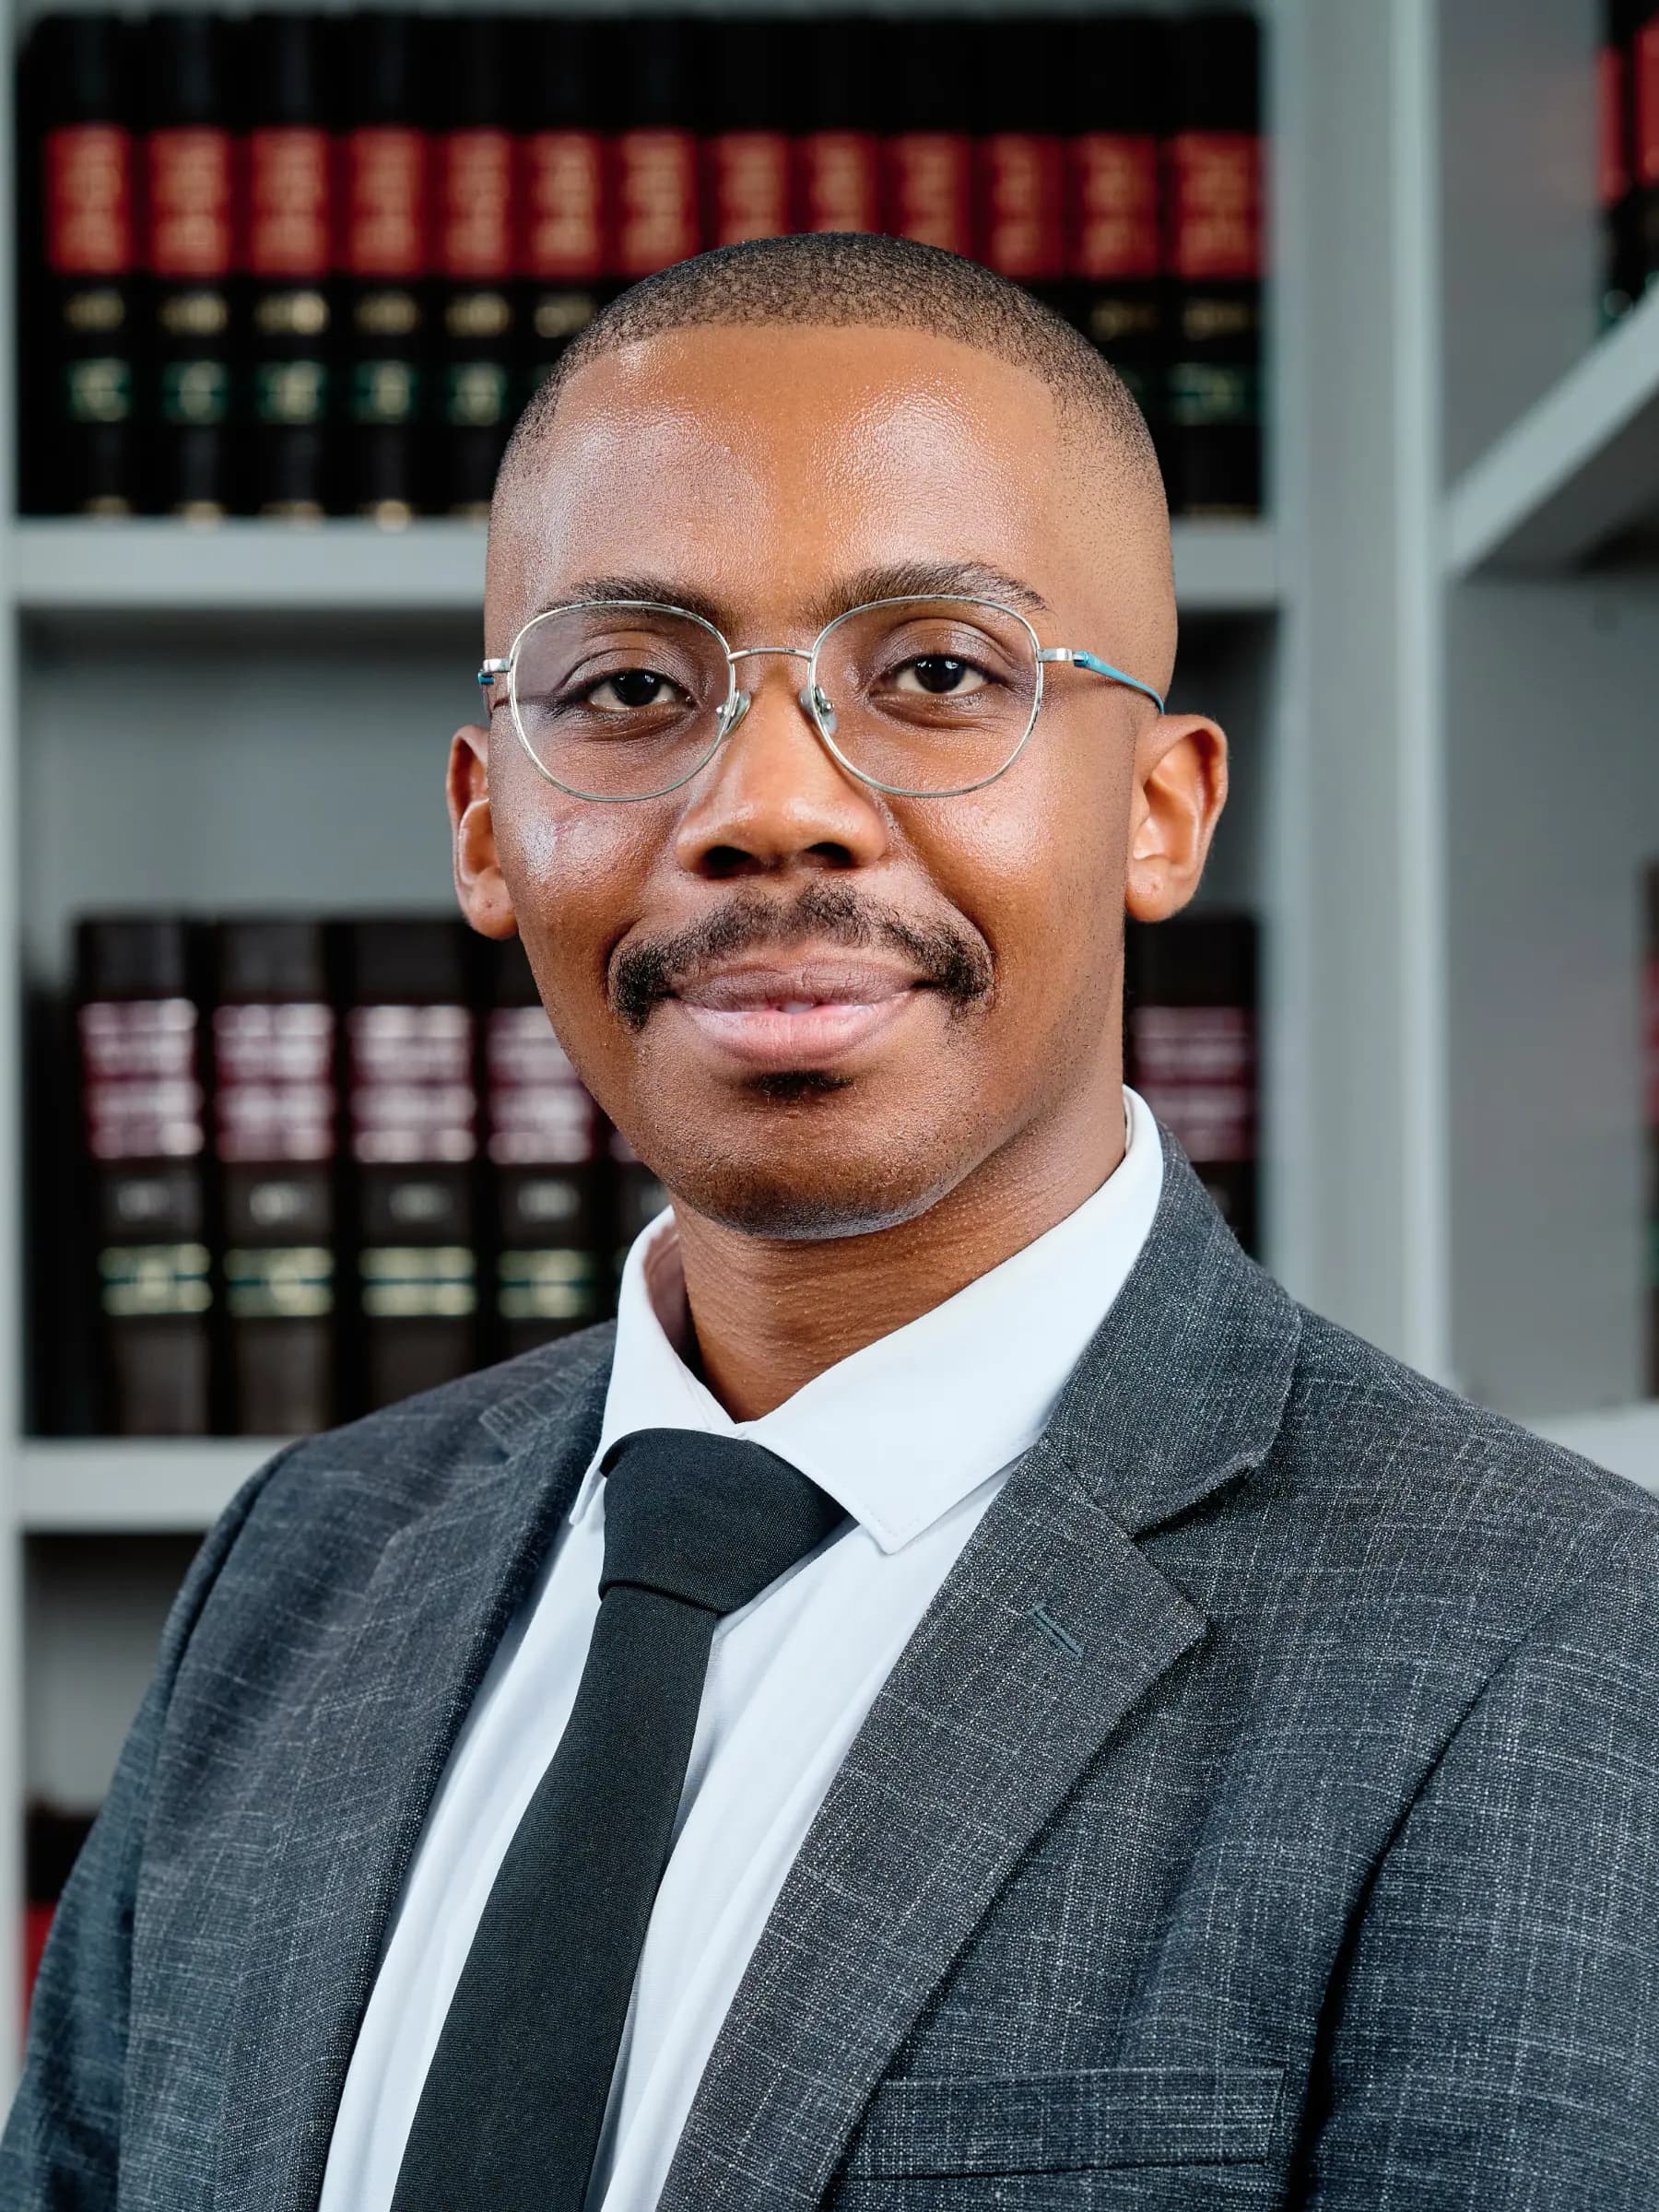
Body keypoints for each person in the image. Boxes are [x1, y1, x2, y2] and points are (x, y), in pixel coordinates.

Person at [7, 234, 1659, 2212]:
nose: (771, 803)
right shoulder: (303, 1564)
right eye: (628, 685)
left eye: (940, 674)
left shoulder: (1553, 1642)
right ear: (480, 821)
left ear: (1161, 808)